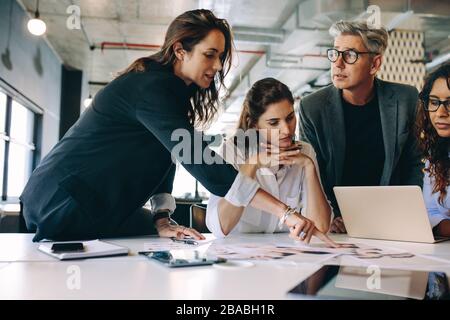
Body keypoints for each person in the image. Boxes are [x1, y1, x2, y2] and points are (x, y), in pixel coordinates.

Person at [21, 9, 335, 246]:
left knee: (158, 249)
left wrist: (161, 218)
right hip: (62, 201)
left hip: (95, 206)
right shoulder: (149, 89)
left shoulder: (170, 95)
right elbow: (205, 167)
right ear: (180, 50)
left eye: (221, 57)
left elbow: (166, 157)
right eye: (209, 55)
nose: (216, 66)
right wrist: (286, 212)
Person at [299, 20, 423, 233]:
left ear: (374, 64)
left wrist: (407, 212)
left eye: (349, 55)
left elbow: (414, 164)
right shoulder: (312, 107)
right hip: (337, 223)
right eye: (335, 53)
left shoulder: (406, 99)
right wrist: (334, 215)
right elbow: (312, 171)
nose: (338, 63)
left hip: (392, 219)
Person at [206, 78, 332, 242]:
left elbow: (322, 226)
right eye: (274, 123)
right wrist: (252, 165)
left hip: (285, 255)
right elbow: (220, 227)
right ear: (254, 125)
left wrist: (309, 166)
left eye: (290, 117)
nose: (286, 130)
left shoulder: (305, 152)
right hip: (239, 256)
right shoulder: (233, 151)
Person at [415, 64, 450, 237]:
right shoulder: (435, 155)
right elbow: (429, 212)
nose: (441, 112)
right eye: (434, 102)